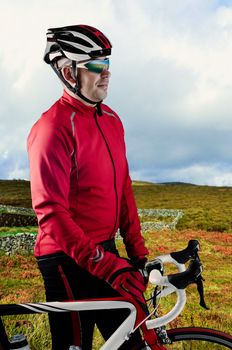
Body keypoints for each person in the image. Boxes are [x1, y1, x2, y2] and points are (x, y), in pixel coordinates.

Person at [27, 24, 152, 350]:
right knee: (73, 346)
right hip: (64, 259)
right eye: (96, 66)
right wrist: (108, 266)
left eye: (107, 64)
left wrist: (137, 255)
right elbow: (51, 214)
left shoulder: (111, 119)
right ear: (69, 72)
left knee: (130, 342)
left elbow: (123, 188)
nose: (106, 74)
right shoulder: (52, 129)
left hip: (102, 251)